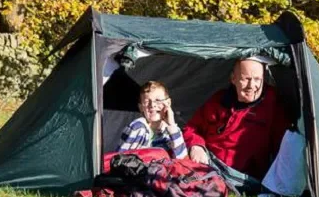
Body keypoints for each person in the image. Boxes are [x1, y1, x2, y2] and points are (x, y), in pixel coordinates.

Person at [182, 58, 291, 188]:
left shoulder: (271, 103)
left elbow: (284, 146)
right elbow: (192, 128)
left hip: (243, 177)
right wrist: (196, 146)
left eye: (257, 79)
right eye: (246, 79)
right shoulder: (219, 100)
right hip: (208, 163)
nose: (251, 86)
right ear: (233, 79)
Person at [118, 81, 188, 158]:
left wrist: (171, 125)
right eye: (147, 102)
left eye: (158, 100)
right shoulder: (138, 128)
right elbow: (119, 159)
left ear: (168, 103)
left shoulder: (173, 131)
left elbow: (183, 159)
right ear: (141, 107)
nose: (152, 105)